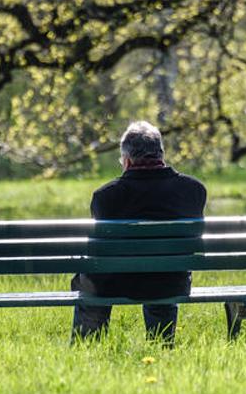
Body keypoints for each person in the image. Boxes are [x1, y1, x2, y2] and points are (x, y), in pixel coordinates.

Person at [71, 121, 207, 345]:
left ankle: (88, 346)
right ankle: (162, 346)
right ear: (161, 154)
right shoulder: (194, 190)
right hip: (171, 281)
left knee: (92, 284)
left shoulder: (106, 196)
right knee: (160, 276)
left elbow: (101, 249)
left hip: (116, 282)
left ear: (126, 160)